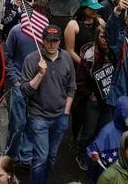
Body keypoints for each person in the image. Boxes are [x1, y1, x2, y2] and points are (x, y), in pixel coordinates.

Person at [23, 24, 76, 183]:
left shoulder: (66, 57)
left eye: (56, 41)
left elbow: (71, 87)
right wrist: (40, 75)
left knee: (51, 157)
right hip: (39, 116)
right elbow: (25, 91)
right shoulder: (32, 60)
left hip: (60, 115)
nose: (52, 44)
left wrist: (66, 113)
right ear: (42, 41)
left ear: (60, 41)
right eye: (49, 41)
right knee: (40, 158)